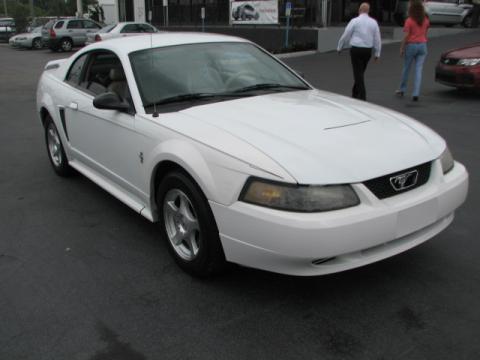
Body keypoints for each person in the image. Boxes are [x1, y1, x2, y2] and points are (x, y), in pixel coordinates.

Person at [337, 2, 381, 101]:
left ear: (359, 10)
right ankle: (355, 92)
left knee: (358, 73)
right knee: (360, 72)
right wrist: (377, 53)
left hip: (356, 49)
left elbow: (346, 34)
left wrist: (340, 46)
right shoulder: (373, 22)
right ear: (368, 11)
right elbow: (377, 39)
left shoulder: (354, 21)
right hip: (367, 51)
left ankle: (362, 95)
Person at [396, 0, 430, 102]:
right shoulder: (426, 19)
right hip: (423, 45)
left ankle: (402, 89)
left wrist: (402, 47)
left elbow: (406, 36)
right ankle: (416, 93)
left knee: (406, 68)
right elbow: (426, 32)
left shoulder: (409, 20)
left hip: (411, 45)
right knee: (418, 70)